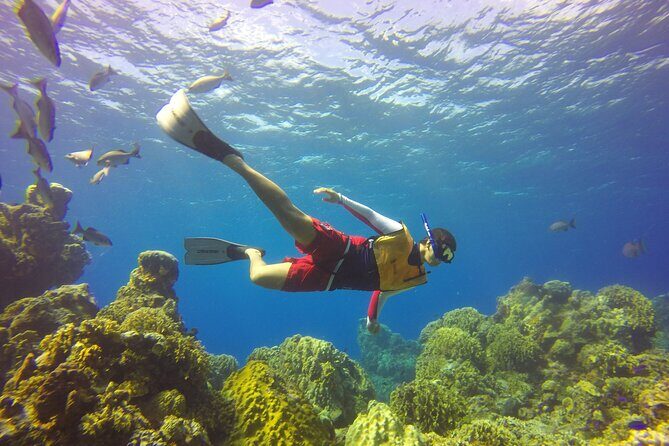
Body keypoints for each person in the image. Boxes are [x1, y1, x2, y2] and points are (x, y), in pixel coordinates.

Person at [156, 90, 457, 333]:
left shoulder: (417, 278)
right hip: (341, 249)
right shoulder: (402, 236)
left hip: (329, 280)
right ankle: (232, 160)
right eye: (443, 251)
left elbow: (383, 292)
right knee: (288, 215)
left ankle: (249, 252)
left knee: (258, 277)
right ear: (430, 239)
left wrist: (372, 320)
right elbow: (371, 216)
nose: (442, 259)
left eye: (447, 259)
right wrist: (341, 199)